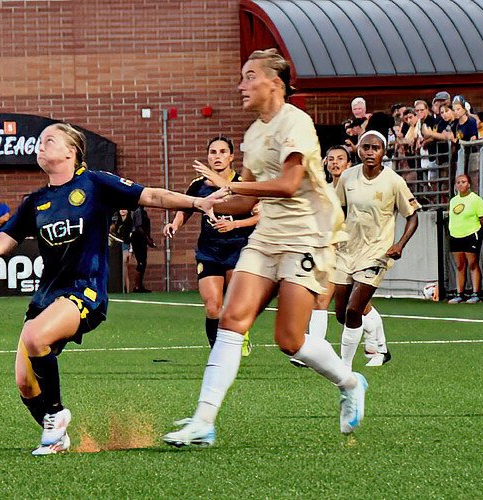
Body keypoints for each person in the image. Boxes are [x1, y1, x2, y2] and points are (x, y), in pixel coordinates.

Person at [0, 122, 221, 456]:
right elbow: (2, 243)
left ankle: (57, 416)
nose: (41, 146)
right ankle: (56, 437)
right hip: (47, 295)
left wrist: (195, 203)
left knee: (34, 338)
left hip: (85, 289)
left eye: (49, 140)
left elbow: (152, 195)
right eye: (40, 142)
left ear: (71, 152)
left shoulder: (95, 183)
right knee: (25, 383)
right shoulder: (36, 201)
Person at [164, 49, 367, 447]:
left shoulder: (298, 122)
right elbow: (244, 201)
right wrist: (204, 202)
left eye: (249, 76)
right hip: (266, 237)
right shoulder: (253, 133)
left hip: (306, 237)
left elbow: (288, 184)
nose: (241, 85)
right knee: (230, 321)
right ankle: (203, 421)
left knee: (289, 339)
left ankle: (350, 381)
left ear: (275, 83)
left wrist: (232, 185)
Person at [329, 131, 420, 368]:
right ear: (358, 150)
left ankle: (344, 367)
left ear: (384, 151)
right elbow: (337, 211)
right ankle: (380, 347)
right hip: (347, 250)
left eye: (376, 148)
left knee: (353, 309)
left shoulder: (394, 181)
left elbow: (412, 217)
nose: (370, 152)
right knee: (341, 313)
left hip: (376, 253)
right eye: (366, 147)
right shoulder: (347, 177)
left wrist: (399, 244)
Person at [164, 137, 258, 348]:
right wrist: (175, 224)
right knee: (213, 306)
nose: (217, 156)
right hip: (209, 250)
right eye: (213, 152)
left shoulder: (242, 184)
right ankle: (217, 350)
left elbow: (261, 215)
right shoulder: (198, 185)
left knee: (235, 303)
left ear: (232, 157)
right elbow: (187, 207)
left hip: (238, 247)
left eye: (223, 152)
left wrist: (235, 225)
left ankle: (242, 334)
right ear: (207, 157)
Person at [448, 173, 483, 304]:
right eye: (458, 182)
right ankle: (460, 294)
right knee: (460, 265)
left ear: (469, 184)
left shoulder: (476, 200)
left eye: (463, 182)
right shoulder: (453, 201)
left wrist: (478, 234)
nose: (461, 184)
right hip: (455, 236)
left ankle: (476, 294)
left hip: (471, 235)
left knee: (472, 264)